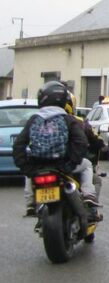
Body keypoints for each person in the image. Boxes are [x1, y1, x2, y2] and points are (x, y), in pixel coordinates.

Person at [13, 82, 97, 218]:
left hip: (38, 165)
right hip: (62, 166)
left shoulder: (34, 120)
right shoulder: (68, 119)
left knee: (29, 176)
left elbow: (18, 145)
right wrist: (71, 163)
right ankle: (89, 195)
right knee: (87, 165)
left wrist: (27, 168)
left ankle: (29, 203)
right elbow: (81, 142)